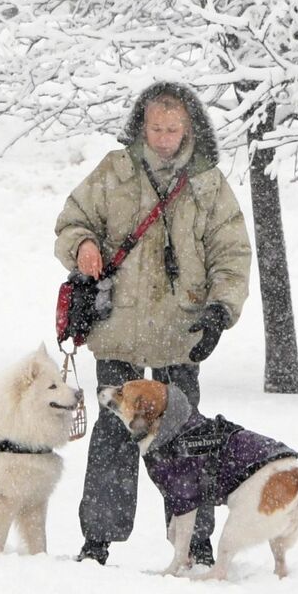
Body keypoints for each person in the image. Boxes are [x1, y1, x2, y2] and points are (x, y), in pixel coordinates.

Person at [54, 82, 252, 566]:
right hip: (118, 329)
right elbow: (71, 222)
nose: (164, 138)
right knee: (114, 433)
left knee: (186, 439)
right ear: (141, 125)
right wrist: (81, 246)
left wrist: (220, 310)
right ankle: (98, 539)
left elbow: (232, 254)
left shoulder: (208, 183)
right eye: (156, 128)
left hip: (181, 332)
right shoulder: (114, 171)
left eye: (173, 128)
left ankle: (195, 541)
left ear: (190, 128)